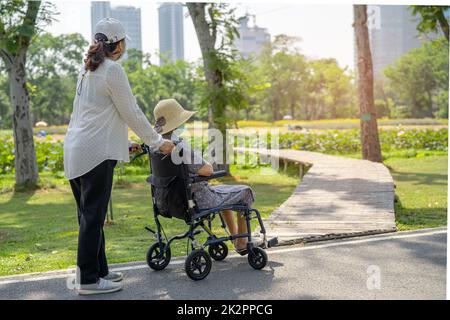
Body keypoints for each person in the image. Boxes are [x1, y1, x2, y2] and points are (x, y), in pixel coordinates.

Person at [63, 18, 174, 295]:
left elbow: (94, 115)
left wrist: (122, 144)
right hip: (94, 154)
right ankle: (88, 280)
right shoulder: (112, 70)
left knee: (88, 216)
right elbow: (132, 112)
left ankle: (99, 272)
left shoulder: (88, 69)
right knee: (93, 216)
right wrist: (158, 142)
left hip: (76, 151)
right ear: (119, 44)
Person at [153, 99, 259, 255]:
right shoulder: (179, 147)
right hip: (198, 199)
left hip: (168, 201)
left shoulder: (155, 148)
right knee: (245, 192)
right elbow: (207, 170)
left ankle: (236, 238)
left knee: (225, 197)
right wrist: (208, 163)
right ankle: (242, 242)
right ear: (176, 123)